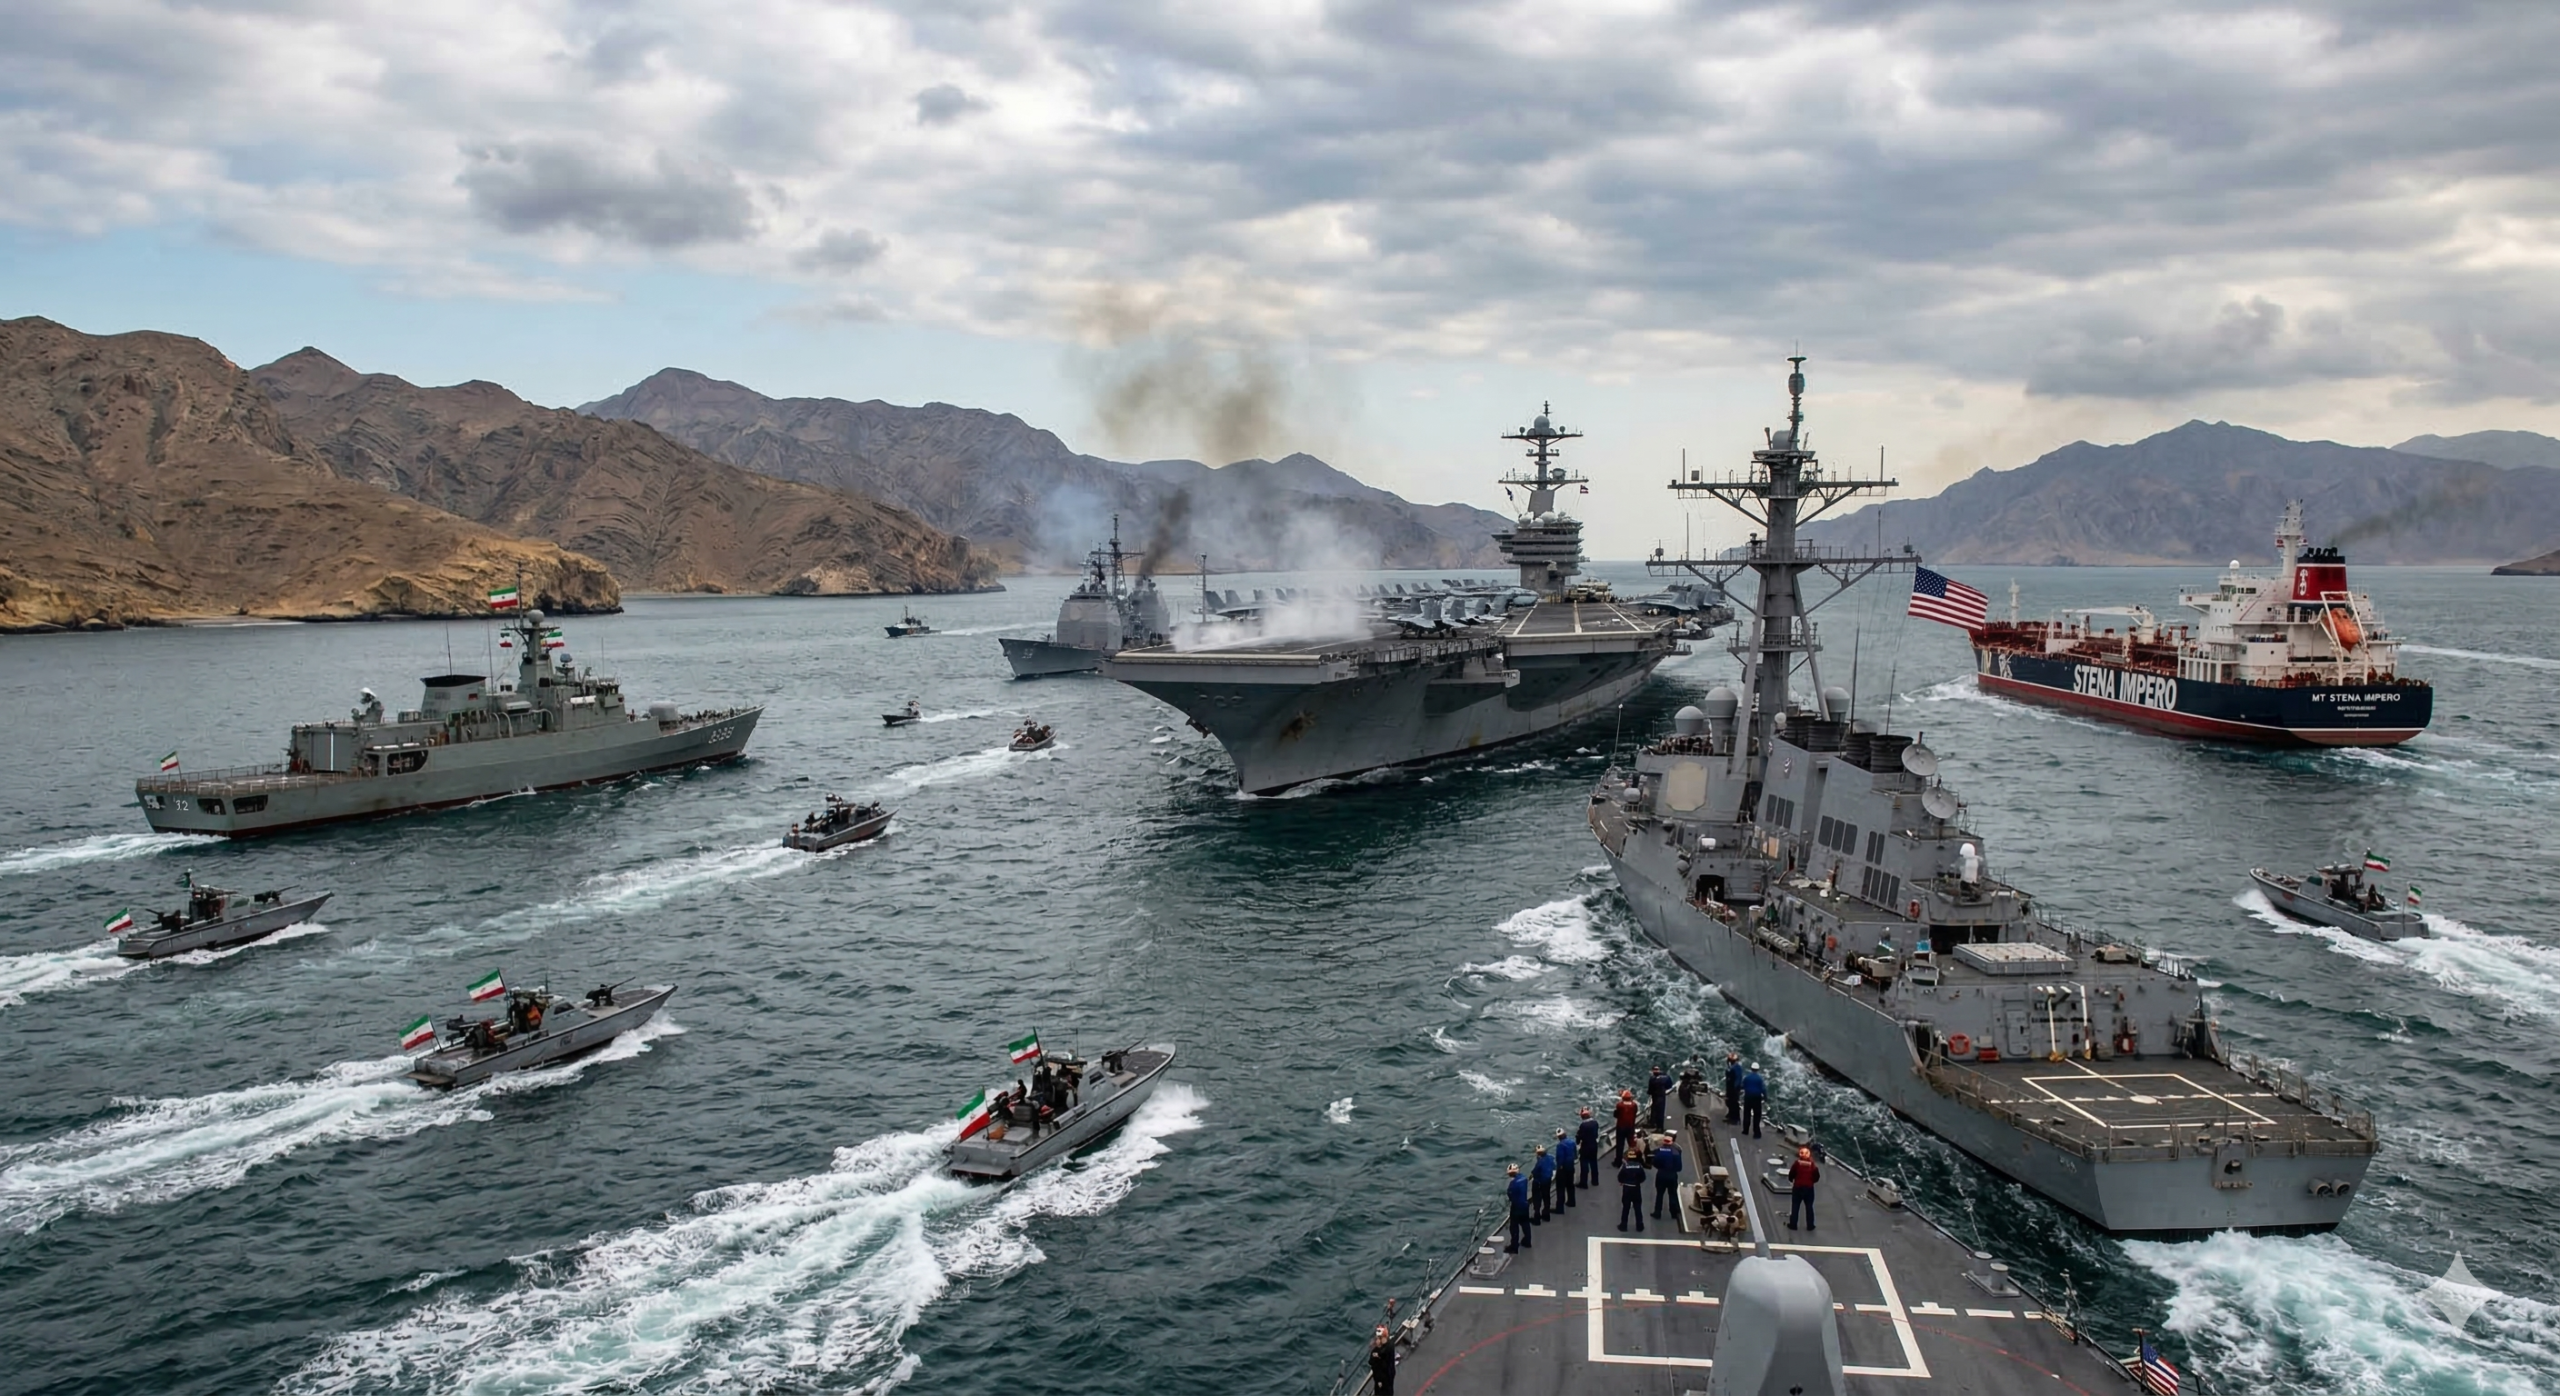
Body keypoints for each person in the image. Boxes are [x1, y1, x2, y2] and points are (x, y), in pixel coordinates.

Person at [1787, 1145, 1821, 1230]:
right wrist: (1811, 1181)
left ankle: (1793, 1224)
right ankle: (1810, 1225)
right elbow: (1816, 1177)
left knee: (1795, 1206)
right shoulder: (1812, 1165)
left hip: (1798, 1187)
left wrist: (1791, 1179)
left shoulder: (1797, 1164)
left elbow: (1792, 1174)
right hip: (1809, 1188)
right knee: (1809, 1207)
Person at [1652, 1134, 1685, 1219]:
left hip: (1661, 1175)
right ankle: (1674, 1213)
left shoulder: (1659, 1151)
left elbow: (1654, 1163)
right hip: (1672, 1176)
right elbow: (1679, 1167)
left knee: (1659, 1194)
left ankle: (1657, 1213)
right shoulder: (1676, 1152)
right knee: (1672, 1194)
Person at [1616, 1149, 1649, 1232]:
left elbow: (1620, 1177)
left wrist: (1623, 1182)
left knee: (1626, 1208)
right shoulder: (1639, 1166)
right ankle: (1640, 1225)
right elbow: (1643, 1178)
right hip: (1636, 1188)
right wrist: (1637, 1182)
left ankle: (1623, 1225)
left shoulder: (1625, 1166)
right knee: (1637, 1207)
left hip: (1627, 1188)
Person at [1505, 1164, 1532, 1253]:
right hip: (1525, 1205)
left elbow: (1510, 1194)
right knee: (1525, 1224)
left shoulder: (1513, 1184)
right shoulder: (1524, 1179)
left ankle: (1514, 1246)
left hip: (1516, 1207)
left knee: (1514, 1227)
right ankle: (1528, 1241)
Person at [1576, 1108, 1602, 1189]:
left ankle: (1583, 1183)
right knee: (1594, 1163)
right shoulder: (1595, 1123)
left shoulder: (1583, 1125)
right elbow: (1596, 1135)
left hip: (1585, 1146)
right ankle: (1595, 1181)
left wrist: (1577, 1139)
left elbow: (1580, 1137)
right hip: (1594, 1145)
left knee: (1584, 1164)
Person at [1553, 1128, 1578, 1210]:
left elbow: (1560, 1158)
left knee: (1560, 1188)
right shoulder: (1572, 1142)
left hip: (1563, 1169)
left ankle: (1559, 1207)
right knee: (1570, 1185)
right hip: (1571, 1167)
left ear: (1558, 1137)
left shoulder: (1560, 1145)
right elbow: (1575, 1155)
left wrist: (1558, 1168)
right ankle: (1572, 1201)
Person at [1368, 1324, 1396, 1396]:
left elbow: (1376, 1366)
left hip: (1384, 1377)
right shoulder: (1389, 1345)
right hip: (1388, 1374)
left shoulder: (1384, 1350)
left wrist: (1380, 1380)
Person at [1742, 1064, 1767, 1138]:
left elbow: (1742, 1086)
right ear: (1758, 1069)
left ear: (1751, 1069)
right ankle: (1756, 1133)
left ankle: (1745, 1130)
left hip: (1748, 1097)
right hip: (1756, 1098)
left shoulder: (1747, 1077)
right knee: (1757, 1115)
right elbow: (1763, 1089)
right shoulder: (1759, 1079)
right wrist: (1765, 1097)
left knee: (1747, 1114)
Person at [1531, 1145, 1555, 1223]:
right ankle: (1546, 1214)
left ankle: (1537, 1217)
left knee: (1537, 1198)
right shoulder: (1551, 1158)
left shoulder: (1540, 1162)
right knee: (1546, 1197)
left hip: (1539, 1182)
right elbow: (1554, 1166)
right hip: (1548, 1181)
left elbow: (1535, 1172)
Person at [1613, 1089, 1639, 1159]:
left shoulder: (1619, 1105)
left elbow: (1616, 1114)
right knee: (1631, 1143)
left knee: (1620, 1144)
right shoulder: (1634, 1105)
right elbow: (1635, 1112)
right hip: (1630, 1126)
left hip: (1621, 1127)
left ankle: (1618, 1161)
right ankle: (1632, 1159)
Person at [1647, 1065, 1673, 1131]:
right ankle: (1657, 1125)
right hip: (1662, 1096)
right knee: (1659, 1111)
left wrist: (1650, 1092)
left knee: (1656, 1110)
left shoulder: (1652, 1079)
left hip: (1656, 1096)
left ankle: (1657, 1126)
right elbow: (1669, 1085)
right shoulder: (1666, 1077)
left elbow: (1650, 1090)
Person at [1723, 1051, 1744, 1124]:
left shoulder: (1737, 1068)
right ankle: (1730, 1114)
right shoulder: (1731, 1067)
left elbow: (1738, 1079)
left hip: (1734, 1089)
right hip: (1729, 1088)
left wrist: (1735, 1089)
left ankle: (1735, 1119)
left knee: (1734, 1103)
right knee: (1729, 1102)